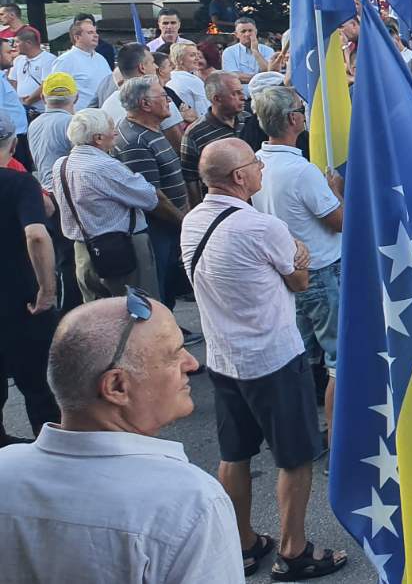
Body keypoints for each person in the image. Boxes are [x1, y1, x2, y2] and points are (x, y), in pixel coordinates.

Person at [181, 138, 345, 581]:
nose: (260, 168)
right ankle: (294, 550)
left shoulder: (192, 221)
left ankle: (244, 542)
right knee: (295, 457)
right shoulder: (260, 226)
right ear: (239, 177)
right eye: (254, 163)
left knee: (235, 454)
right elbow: (299, 281)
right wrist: (299, 256)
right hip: (273, 357)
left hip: (224, 357)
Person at [0, 295, 244, 583]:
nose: (191, 363)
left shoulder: (5, 470)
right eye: (173, 354)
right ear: (116, 386)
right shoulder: (189, 503)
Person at [249, 86, 343, 430]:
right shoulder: (301, 171)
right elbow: (339, 221)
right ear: (292, 119)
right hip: (322, 270)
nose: (305, 115)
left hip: (288, 272)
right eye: (302, 110)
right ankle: (336, 434)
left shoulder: (257, 163)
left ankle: (301, 429)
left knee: (299, 356)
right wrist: (336, 191)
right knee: (339, 360)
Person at [51, 108, 161, 300]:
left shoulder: (61, 165)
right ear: (98, 138)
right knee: (139, 308)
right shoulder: (105, 166)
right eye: (111, 127)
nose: (116, 132)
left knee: (97, 312)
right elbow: (149, 198)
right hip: (123, 249)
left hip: (83, 250)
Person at [0, 111, 58, 439]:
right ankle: (50, 450)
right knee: (39, 384)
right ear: (12, 145)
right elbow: (36, 234)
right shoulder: (19, 182)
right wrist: (47, 291)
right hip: (22, 298)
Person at [114, 76, 189, 313]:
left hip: (169, 225)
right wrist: (184, 222)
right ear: (145, 104)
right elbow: (153, 197)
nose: (169, 101)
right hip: (157, 228)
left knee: (169, 284)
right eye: (164, 96)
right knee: (158, 287)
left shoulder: (150, 130)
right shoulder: (135, 141)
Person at [178, 72, 249, 207]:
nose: (243, 97)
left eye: (241, 91)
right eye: (235, 93)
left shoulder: (248, 120)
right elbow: (190, 179)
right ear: (217, 99)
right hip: (221, 206)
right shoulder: (195, 133)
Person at [54, 17, 111, 111]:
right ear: (77, 37)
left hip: (102, 113)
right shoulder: (65, 60)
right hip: (79, 116)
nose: (96, 35)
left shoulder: (101, 58)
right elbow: (57, 93)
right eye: (90, 33)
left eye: (96, 32)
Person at [8, 28, 55, 113]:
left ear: (28, 43)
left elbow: (46, 85)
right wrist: (17, 101)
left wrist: (27, 101)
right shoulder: (18, 60)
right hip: (21, 109)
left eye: (17, 42)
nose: (14, 45)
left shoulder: (49, 59)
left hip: (41, 111)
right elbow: (12, 82)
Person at [220, 16, 275, 84]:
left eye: (250, 30)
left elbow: (270, 73)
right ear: (236, 34)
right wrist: (262, 78)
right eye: (243, 31)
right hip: (240, 89)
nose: (247, 34)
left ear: (256, 32)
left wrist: (255, 51)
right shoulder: (229, 52)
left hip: (264, 89)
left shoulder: (268, 50)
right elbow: (233, 76)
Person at [167, 43, 210, 118]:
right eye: (192, 55)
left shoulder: (169, 76)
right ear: (180, 59)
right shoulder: (193, 80)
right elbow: (204, 111)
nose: (197, 58)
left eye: (197, 55)